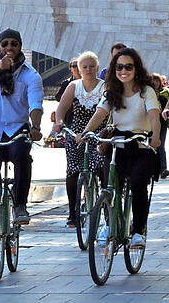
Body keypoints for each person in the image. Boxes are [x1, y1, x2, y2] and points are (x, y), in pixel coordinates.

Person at [77, 48, 161, 249]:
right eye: (119, 67)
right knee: (109, 185)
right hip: (117, 143)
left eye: (128, 67)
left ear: (136, 69)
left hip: (141, 144)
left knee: (138, 185)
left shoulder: (146, 91)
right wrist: (86, 132)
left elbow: (154, 116)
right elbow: (99, 113)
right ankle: (109, 224)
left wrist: (156, 138)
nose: (124, 71)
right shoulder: (112, 92)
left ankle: (138, 231)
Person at [0, 28, 43, 260]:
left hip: (16, 129)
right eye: (5, 44)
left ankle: (20, 204)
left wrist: (35, 127)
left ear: (20, 46)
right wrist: (1, 66)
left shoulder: (30, 75)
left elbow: (35, 105)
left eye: (14, 44)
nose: (9, 48)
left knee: (22, 155)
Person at [52, 51, 106, 227]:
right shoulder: (74, 86)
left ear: (97, 68)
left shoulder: (105, 87)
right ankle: (73, 212)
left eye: (92, 66)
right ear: (79, 70)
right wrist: (59, 122)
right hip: (75, 134)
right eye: (85, 67)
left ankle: (106, 209)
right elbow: (62, 108)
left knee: (102, 167)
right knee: (72, 172)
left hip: (99, 133)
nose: (88, 70)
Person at [151, 73, 169, 179]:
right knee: (150, 146)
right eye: (153, 80)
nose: (154, 83)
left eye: (157, 80)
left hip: (162, 123)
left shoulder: (164, 93)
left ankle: (163, 168)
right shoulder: (147, 94)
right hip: (149, 124)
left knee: (161, 146)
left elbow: (168, 108)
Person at [52, 57, 81, 127]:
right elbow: (58, 97)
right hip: (69, 115)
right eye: (74, 66)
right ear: (70, 69)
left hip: (82, 114)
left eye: (78, 66)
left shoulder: (86, 82)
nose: (76, 68)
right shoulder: (66, 83)